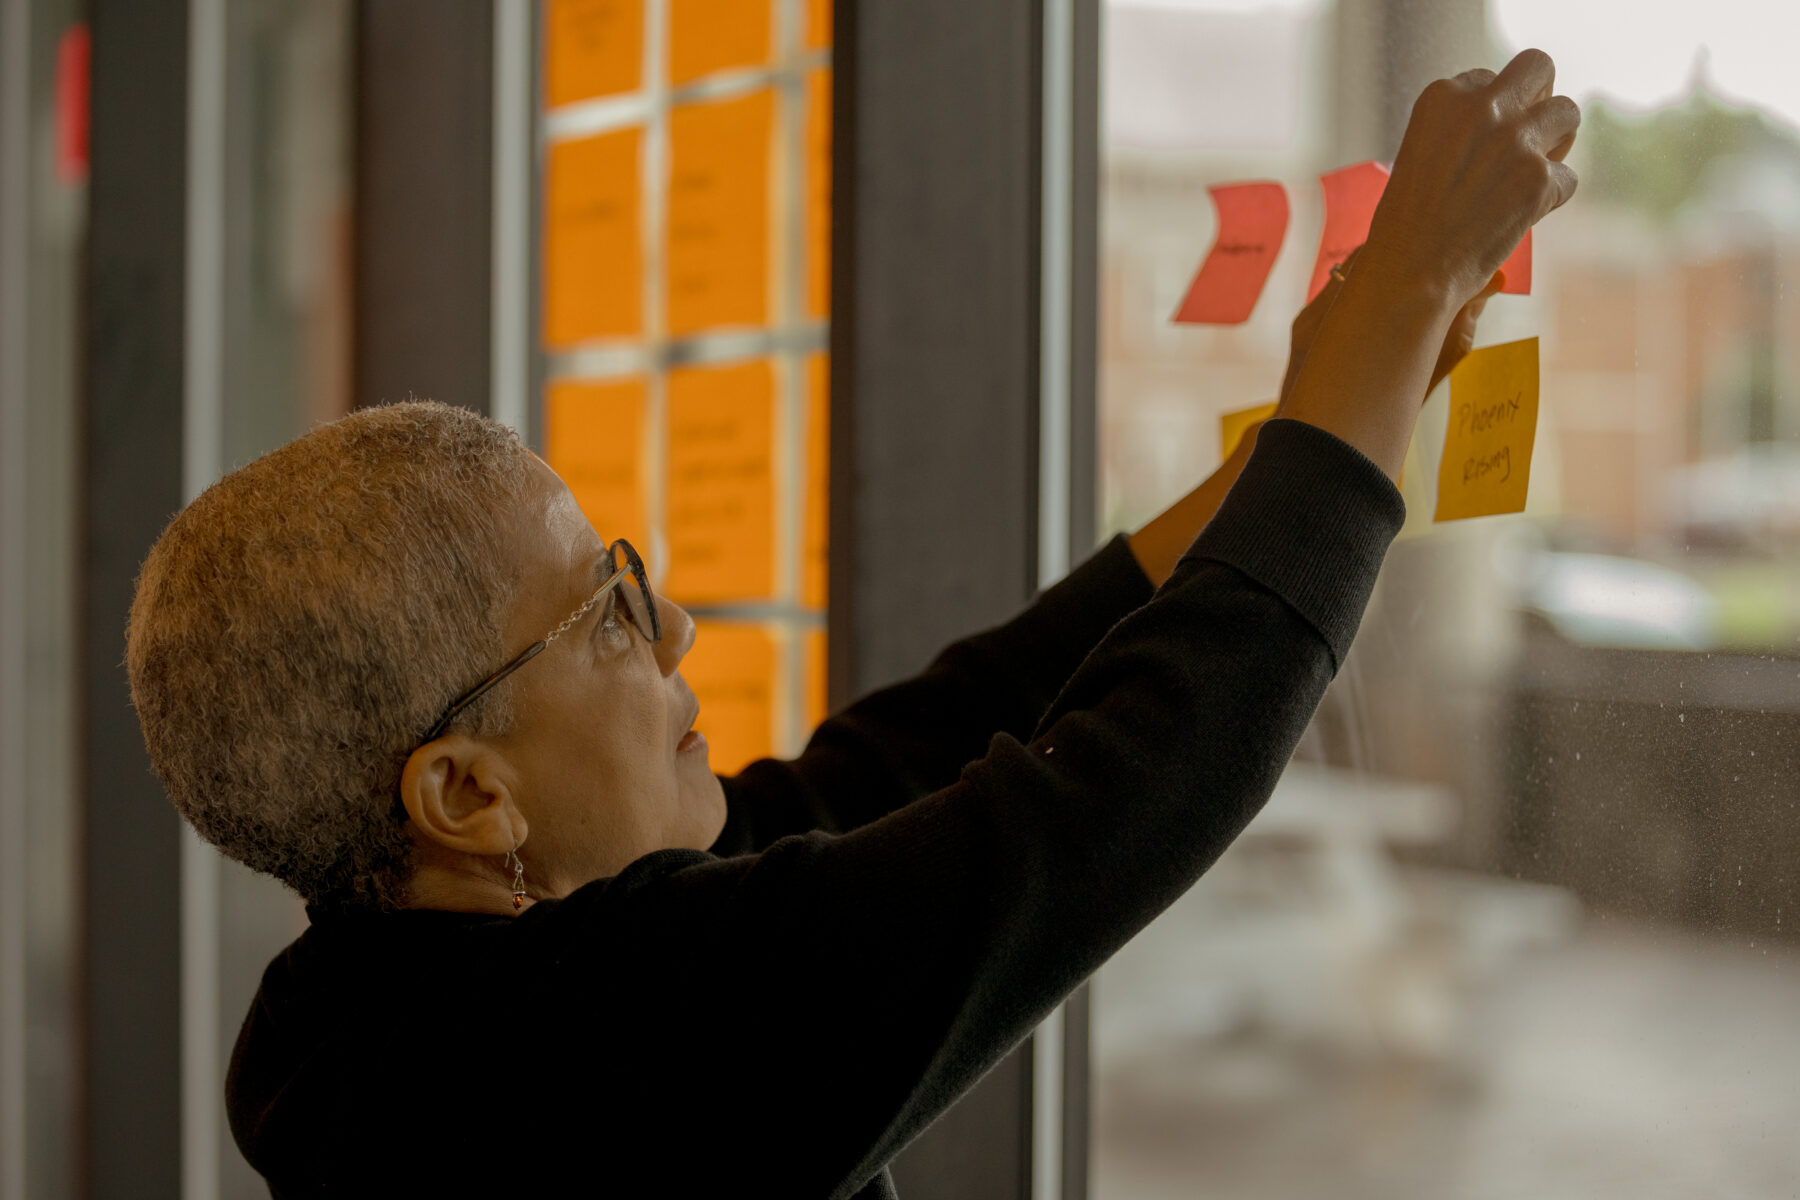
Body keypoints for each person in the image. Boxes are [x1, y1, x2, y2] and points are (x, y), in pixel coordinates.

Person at [125, 51, 1579, 1199]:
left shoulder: (373, 1004)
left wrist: (1318, 419)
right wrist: (1397, 296)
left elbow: (919, 753)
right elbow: (1099, 810)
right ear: (464, 792)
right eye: (610, 612)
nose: (677, 625)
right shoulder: (582, 1059)